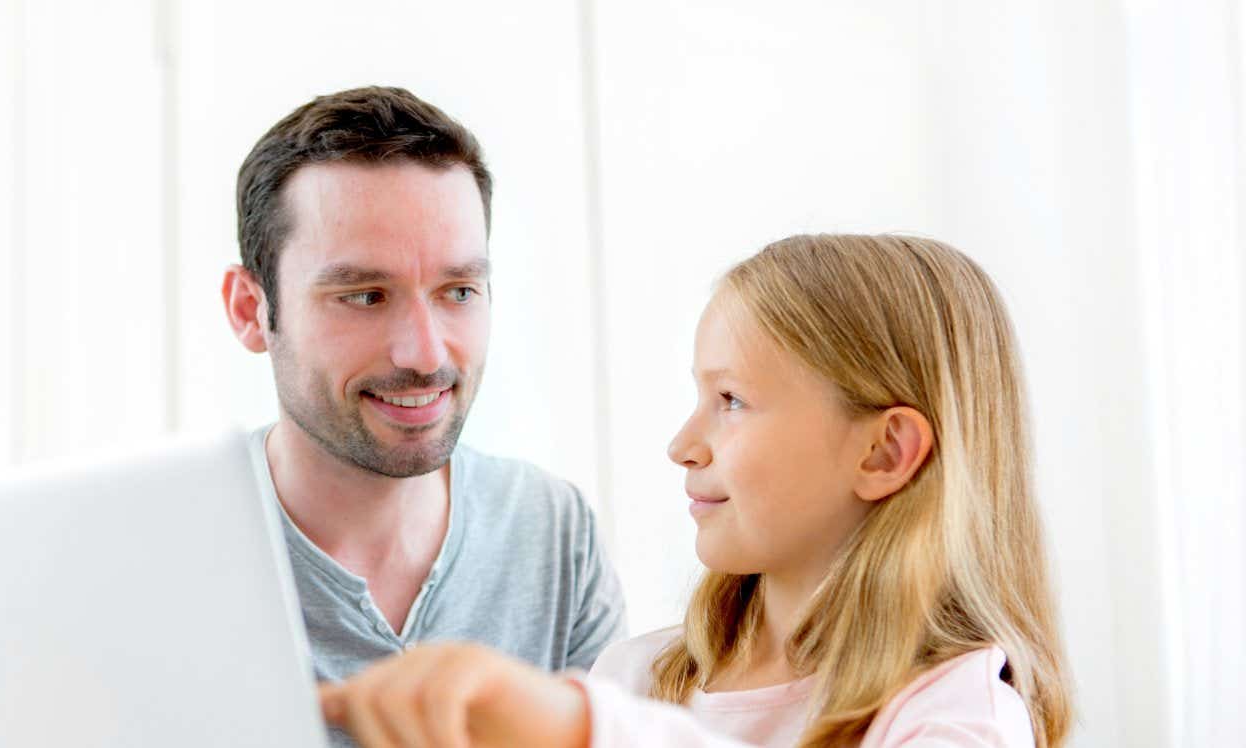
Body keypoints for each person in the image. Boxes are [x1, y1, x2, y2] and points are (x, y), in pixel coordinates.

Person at [317, 234, 1075, 747]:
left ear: (884, 451)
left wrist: (581, 727)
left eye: (732, 401)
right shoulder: (640, 677)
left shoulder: (960, 719)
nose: (684, 446)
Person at [222, 86, 627, 746]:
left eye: (458, 291)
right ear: (249, 309)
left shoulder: (552, 532)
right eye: (364, 296)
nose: (425, 353)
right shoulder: (167, 551)